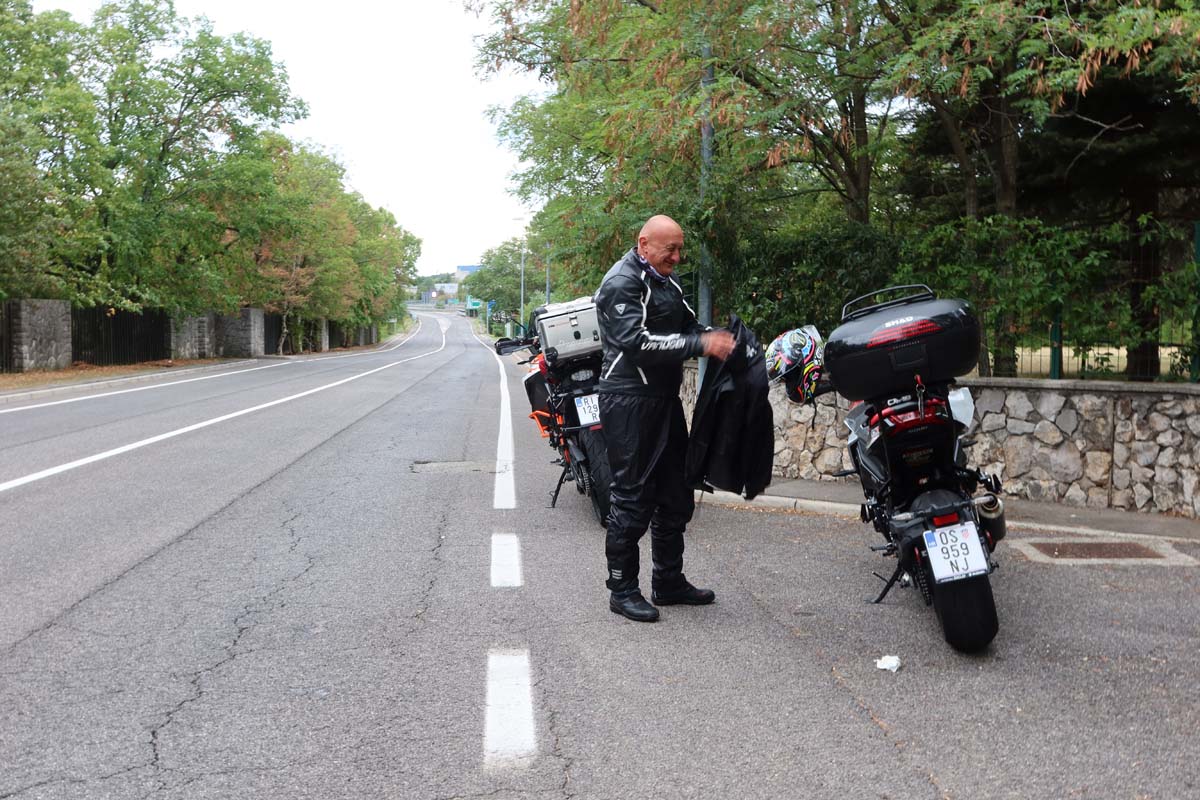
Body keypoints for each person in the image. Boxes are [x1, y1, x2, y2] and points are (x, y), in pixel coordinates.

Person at [593, 214, 736, 622]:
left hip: (663, 400)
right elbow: (636, 343)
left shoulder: (666, 281)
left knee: (676, 492)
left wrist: (722, 338)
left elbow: (690, 326)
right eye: (669, 249)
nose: (676, 257)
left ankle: (668, 581)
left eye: (679, 249)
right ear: (644, 244)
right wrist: (700, 344)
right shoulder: (622, 282)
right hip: (628, 401)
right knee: (632, 498)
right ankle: (622, 590)